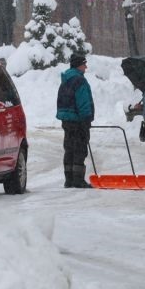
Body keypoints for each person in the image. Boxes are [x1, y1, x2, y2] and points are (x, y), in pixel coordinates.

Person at [56, 53, 94, 188]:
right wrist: (86, 119)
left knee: (69, 149)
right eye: (84, 64)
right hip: (78, 121)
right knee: (79, 149)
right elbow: (83, 102)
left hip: (67, 120)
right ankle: (78, 180)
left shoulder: (66, 79)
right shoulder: (79, 80)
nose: (86, 67)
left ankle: (69, 179)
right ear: (79, 65)